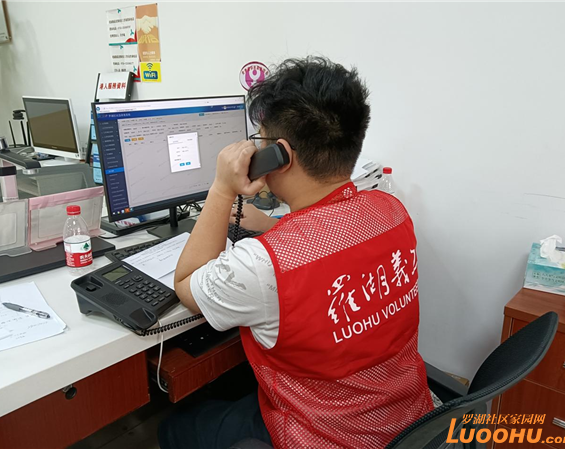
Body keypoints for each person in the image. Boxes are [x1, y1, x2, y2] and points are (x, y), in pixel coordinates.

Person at [159, 56, 433, 449]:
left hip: (323, 436)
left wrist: (222, 188)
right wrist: (272, 227)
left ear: (280, 155)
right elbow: (333, 244)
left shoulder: (261, 265)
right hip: (410, 424)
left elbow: (187, 283)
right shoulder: (391, 211)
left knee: (175, 425)